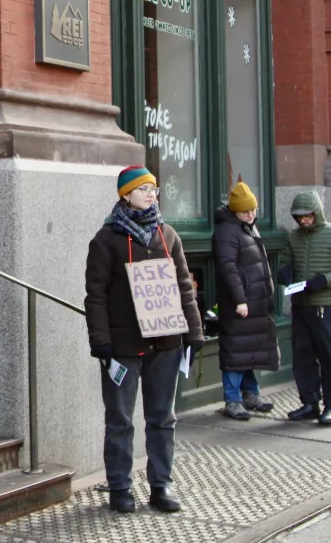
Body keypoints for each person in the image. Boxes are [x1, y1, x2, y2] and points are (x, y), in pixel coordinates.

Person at [84, 165, 204, 514]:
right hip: (123, 346)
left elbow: (185, 288)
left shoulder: (167, 235)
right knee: (120, 420)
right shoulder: (106, 239)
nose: (151, 193)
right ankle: (120, 487)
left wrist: (194, 333)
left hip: (166, 342)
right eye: (143, 188)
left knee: (162, 417)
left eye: (154, 187)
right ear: (125, 195)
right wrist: (101, 341)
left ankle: (160, 485)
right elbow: (96, 295)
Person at [211, 181, 278, 420]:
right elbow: (229, 268)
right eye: (245, 211)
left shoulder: (247, 227)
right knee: (235, 351)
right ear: (235, 211)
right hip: (240, 304)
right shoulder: (227, 232)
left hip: (253, 301)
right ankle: (233, 399)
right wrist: (240, 300)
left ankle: (251, 393)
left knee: (247, 349)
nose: (250, 214)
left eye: (253, 210)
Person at [277, 191, 331, 426]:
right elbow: (284, 260)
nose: (303, 221)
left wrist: (325, 281)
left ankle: (330, 406)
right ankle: (310, 403)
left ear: (316, 213)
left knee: (328, 357)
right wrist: (285, 272)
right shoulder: (293, 236)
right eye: (299, 217)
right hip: (301, 306)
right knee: (303, 357)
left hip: (325, 307)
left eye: (307, 216)